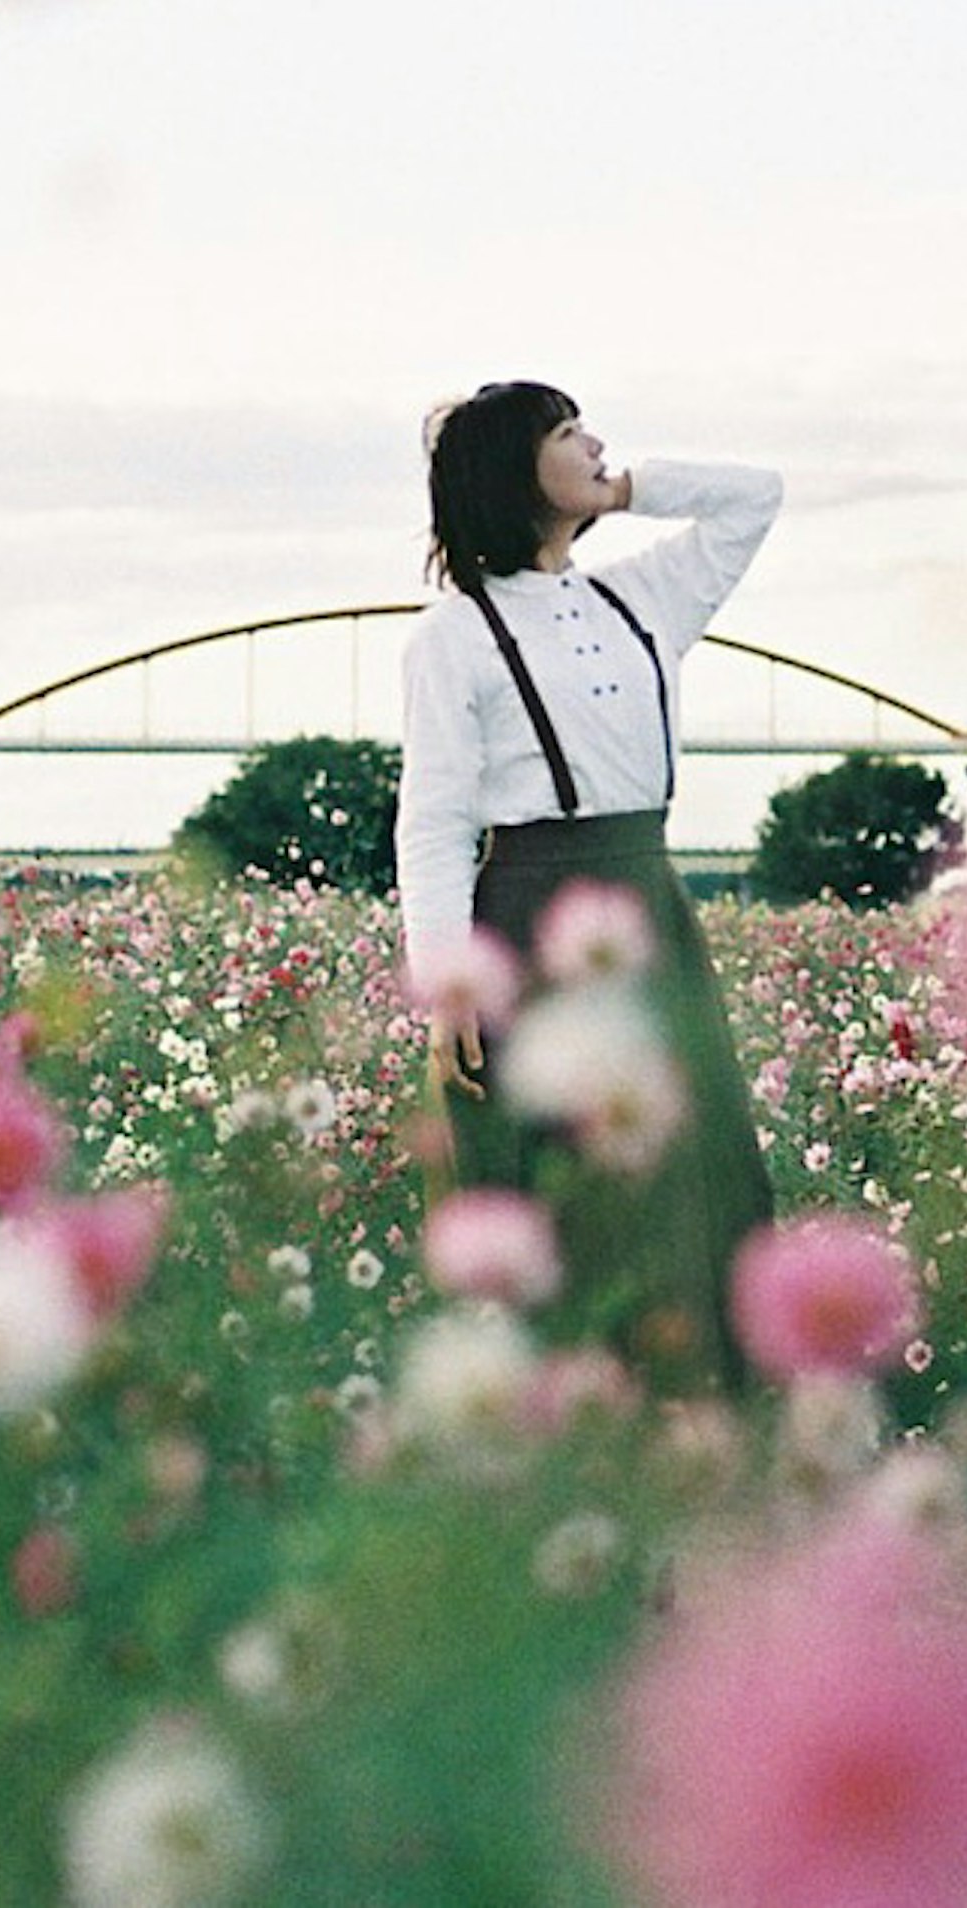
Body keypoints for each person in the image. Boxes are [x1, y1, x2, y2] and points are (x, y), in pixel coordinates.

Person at [395, 380, 784, 1388]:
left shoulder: (644, 594)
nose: (597, 442)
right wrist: (447, 985)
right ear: (511, 468)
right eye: (568, 433)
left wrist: (624, 492)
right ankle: (569, 1404)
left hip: (647, 900)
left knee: (689, 1164)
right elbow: (435, 819)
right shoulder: (450, 637)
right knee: (563, 1171)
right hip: (526, 910)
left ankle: (707, 1390)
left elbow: (756, 496)